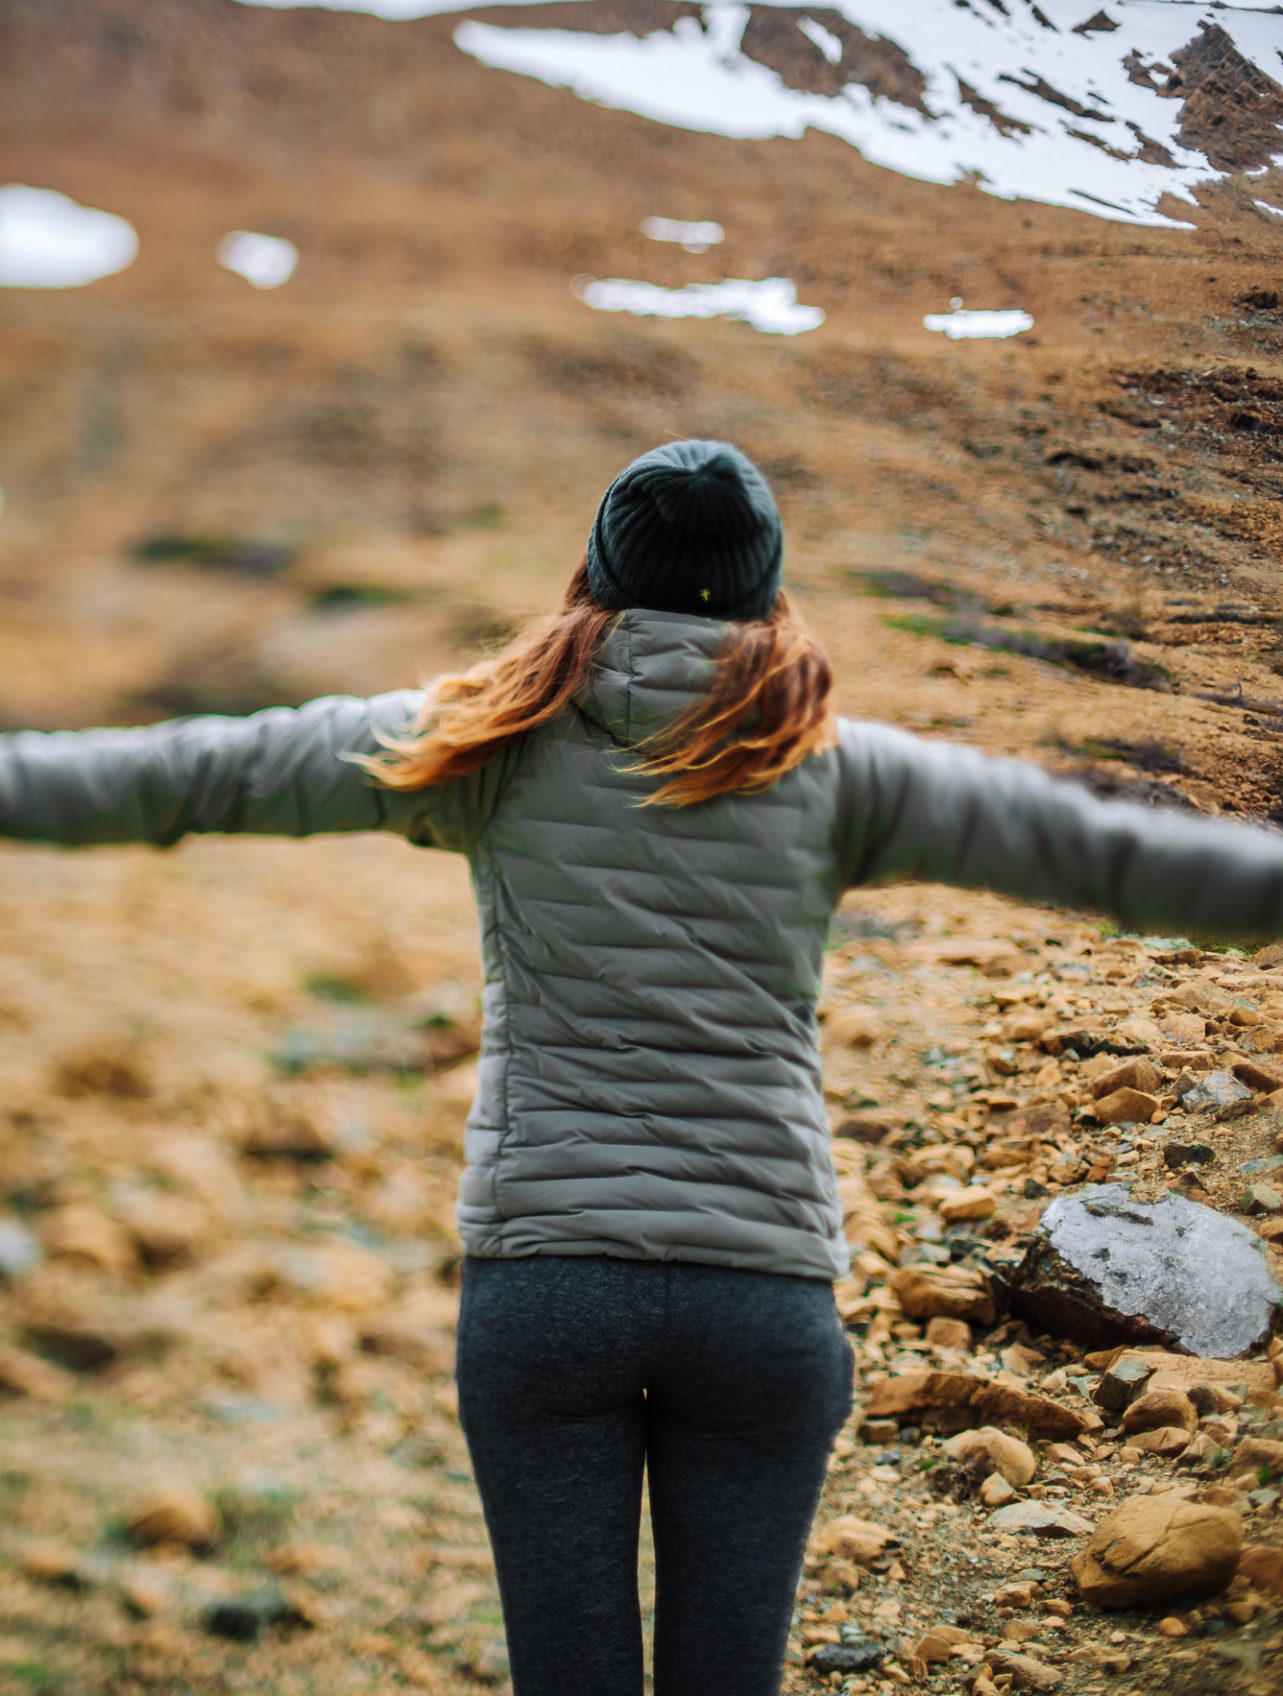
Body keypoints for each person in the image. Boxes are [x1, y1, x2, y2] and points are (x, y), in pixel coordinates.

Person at [3, 438, 1283, 1696]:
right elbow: (1113, 857)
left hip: (544, 1292)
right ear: (767, 581)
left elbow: (183, 773)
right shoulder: (833, 762)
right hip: (761, 1302)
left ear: (596, 572)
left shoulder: (483, 735)